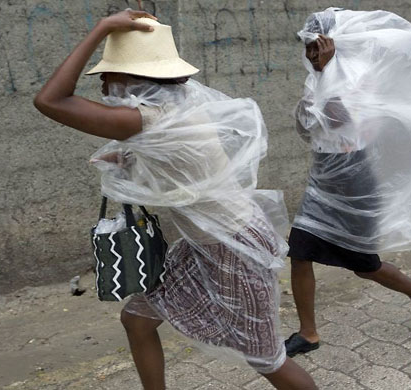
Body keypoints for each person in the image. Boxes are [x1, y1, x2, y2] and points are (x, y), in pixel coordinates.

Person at [34, 9, 317, 390]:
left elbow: (50, 100)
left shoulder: (145, 118)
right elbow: (179, 162)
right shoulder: (176, 106)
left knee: (267, 360)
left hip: (234, 249)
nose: (101, 81)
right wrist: (128, 160)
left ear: (136, 78)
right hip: (207, 244)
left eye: (109, 72)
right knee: (136, 319)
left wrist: (102, 28)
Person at [285, 8, 411, 357]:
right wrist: (321, 80)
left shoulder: (361, 74)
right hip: (324, 177)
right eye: (307, 48)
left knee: (364, 265)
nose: (311, 54)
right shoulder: (320, 77)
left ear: (334, 43)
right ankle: (308, 333)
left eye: (316, 46)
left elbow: (340, 116)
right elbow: (306, 127)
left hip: (356, 180)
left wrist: (325, 76)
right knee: (300, 252)